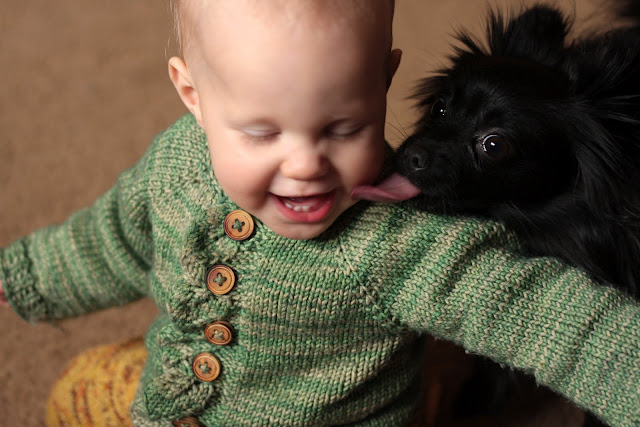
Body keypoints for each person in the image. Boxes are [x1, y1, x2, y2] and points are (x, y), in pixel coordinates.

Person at [1, 1, 639, 425]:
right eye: (261, 133)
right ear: (193, 96)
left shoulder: (405, 246)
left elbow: (555, 319)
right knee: (75, 388)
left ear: (383, 84)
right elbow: (111, 238)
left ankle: (437, 379)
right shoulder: (178, 167)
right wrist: (24, 274)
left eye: (342, 128)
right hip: (179, 407)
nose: (305, 165)